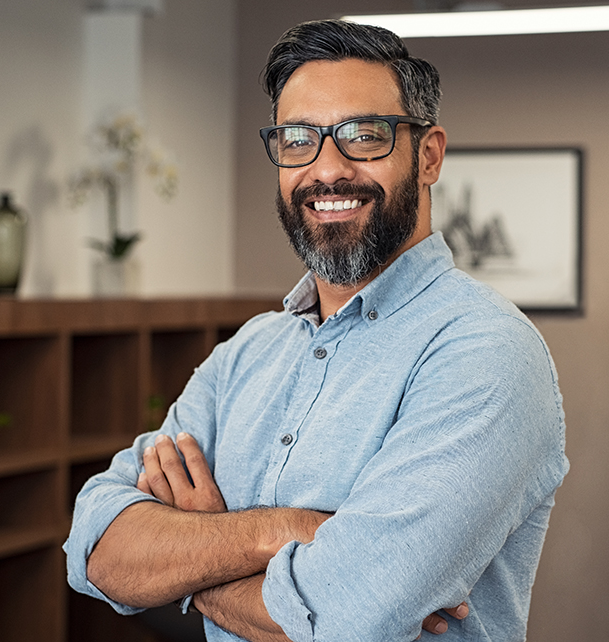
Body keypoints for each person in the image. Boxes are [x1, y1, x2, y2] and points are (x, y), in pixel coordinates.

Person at [64, 19, 568, 642]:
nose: (327, 170)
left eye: (362, 136)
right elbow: (95, 547)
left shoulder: (486, 352)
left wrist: (190, 559)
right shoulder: (247, 353)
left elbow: (348, 620)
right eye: (298, 139)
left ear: (428, 155)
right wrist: (285, 529)